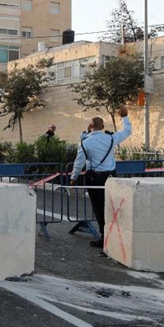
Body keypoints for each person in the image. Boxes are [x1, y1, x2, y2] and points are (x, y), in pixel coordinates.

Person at [70, 106, 132, 247]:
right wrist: (124, 117)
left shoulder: (85, 142)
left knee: (99, 207)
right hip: (111, 177)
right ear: (103, 127)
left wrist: (73, 177)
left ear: (90, 126)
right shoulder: (110, 138)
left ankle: (105, 237)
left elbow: (79, 162)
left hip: (95, 179)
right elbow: (127, 131)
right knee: (113, 206)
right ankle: (117, 235)